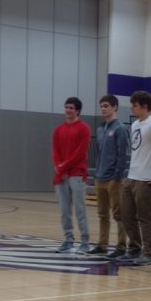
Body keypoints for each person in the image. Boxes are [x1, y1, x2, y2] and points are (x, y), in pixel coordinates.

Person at [121, 90, 151, 266]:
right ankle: (134, 248)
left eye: (135, 105)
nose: (132, 108)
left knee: (145, 217)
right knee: (126, 214)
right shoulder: (135, 125)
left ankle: (149, 253)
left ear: (144, 106)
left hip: (145, 178)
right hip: (132, 175)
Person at [91, 94, 129, 256]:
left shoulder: (120, 128)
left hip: (114, 179)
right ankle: (102, 244)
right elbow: (99, 153)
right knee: (102, 214)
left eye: (106, 106)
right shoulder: (100, 129)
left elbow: (122, 155)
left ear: (114, 107)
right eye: (101, 106)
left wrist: (117, 177)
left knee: (118, 214)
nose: (103, 109)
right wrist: (97, 173)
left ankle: (121, 246)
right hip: (100, 177)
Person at [52, 96, 91, 252]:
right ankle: (68, 240)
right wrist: (58, 167)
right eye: (66, 107)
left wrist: (63, 166)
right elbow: (55, 151)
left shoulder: (84, 128)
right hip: (61, 176)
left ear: (78, 111)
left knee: (80, 209)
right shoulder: (58, 130)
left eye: (71, 108)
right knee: (64, 210)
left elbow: (80, 153)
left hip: (77, 174)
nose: (68, 110)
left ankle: (85, 242)